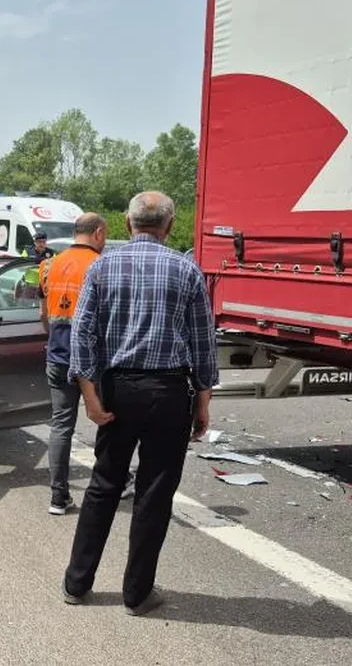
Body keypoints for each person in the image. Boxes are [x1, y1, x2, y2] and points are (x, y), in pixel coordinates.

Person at [61, 191, 218, 617]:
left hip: (118, 391)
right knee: (154, 493)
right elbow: (204, 345)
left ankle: (77, 583)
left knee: (104, 484)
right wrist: (202, 403)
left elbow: (83, 336)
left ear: (128, 225)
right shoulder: (187, 270)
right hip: (169, 395)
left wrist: (91, 399)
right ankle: (136, 593)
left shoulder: (102, 266)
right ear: (169, 227)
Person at [38, 213, 137, 516]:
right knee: (107, 420)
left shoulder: (49, 265)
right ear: (98, 232)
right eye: (105, 235)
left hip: (57, 355)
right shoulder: (101, 265)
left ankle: (58, 497)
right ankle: (115, 483)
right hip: (96, 361)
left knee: (60, 427)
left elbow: (44, 315)